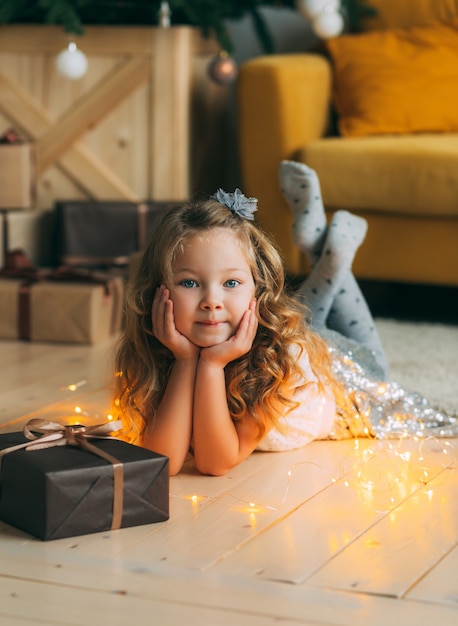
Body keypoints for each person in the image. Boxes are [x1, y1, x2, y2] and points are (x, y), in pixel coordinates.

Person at [113, 167, 457, 476]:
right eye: (189, 283)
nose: (212, 302)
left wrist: (212, 365)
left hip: (346, 380)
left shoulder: (280, 362)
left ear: (257, 291)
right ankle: (325, 257)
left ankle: (334, 263)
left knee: (370, 362)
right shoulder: (155, 347)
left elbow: (214, 462)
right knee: (304, 320)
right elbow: (162, 462)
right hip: (298, 335)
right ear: (159, 290)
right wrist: (185, 359)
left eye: (231, 283)